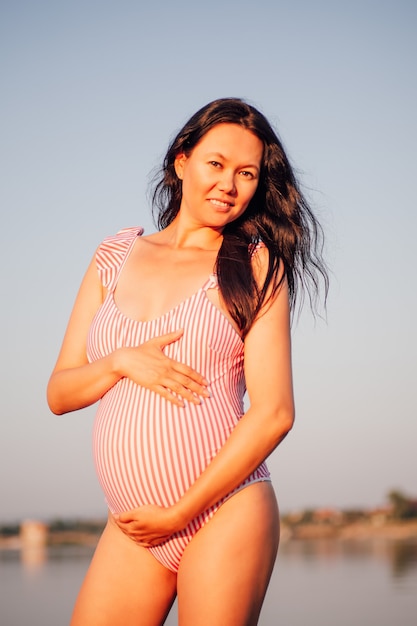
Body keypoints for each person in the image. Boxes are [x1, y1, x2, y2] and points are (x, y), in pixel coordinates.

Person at [47, 97, 328, 626]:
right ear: (182, 162)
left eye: (247, 173)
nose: (229, 184)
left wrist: (180, 512)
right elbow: (59, 393)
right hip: (134, 530)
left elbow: (274, 413)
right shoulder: (114, 254)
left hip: (224, 512)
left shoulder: (257, 264)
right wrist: (121, 362)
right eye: (216, 164)